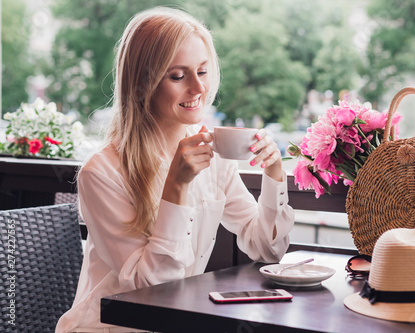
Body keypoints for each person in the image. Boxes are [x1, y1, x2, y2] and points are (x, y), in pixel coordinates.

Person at [56, 6, 294, 332]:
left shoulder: (214, 155)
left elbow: (266, 248)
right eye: (178, 76)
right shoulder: (101, 174)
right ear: (141, 84)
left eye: (203, 71)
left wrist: (274, 173)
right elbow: (147, 287)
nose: (198, 89)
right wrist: (176, 187)